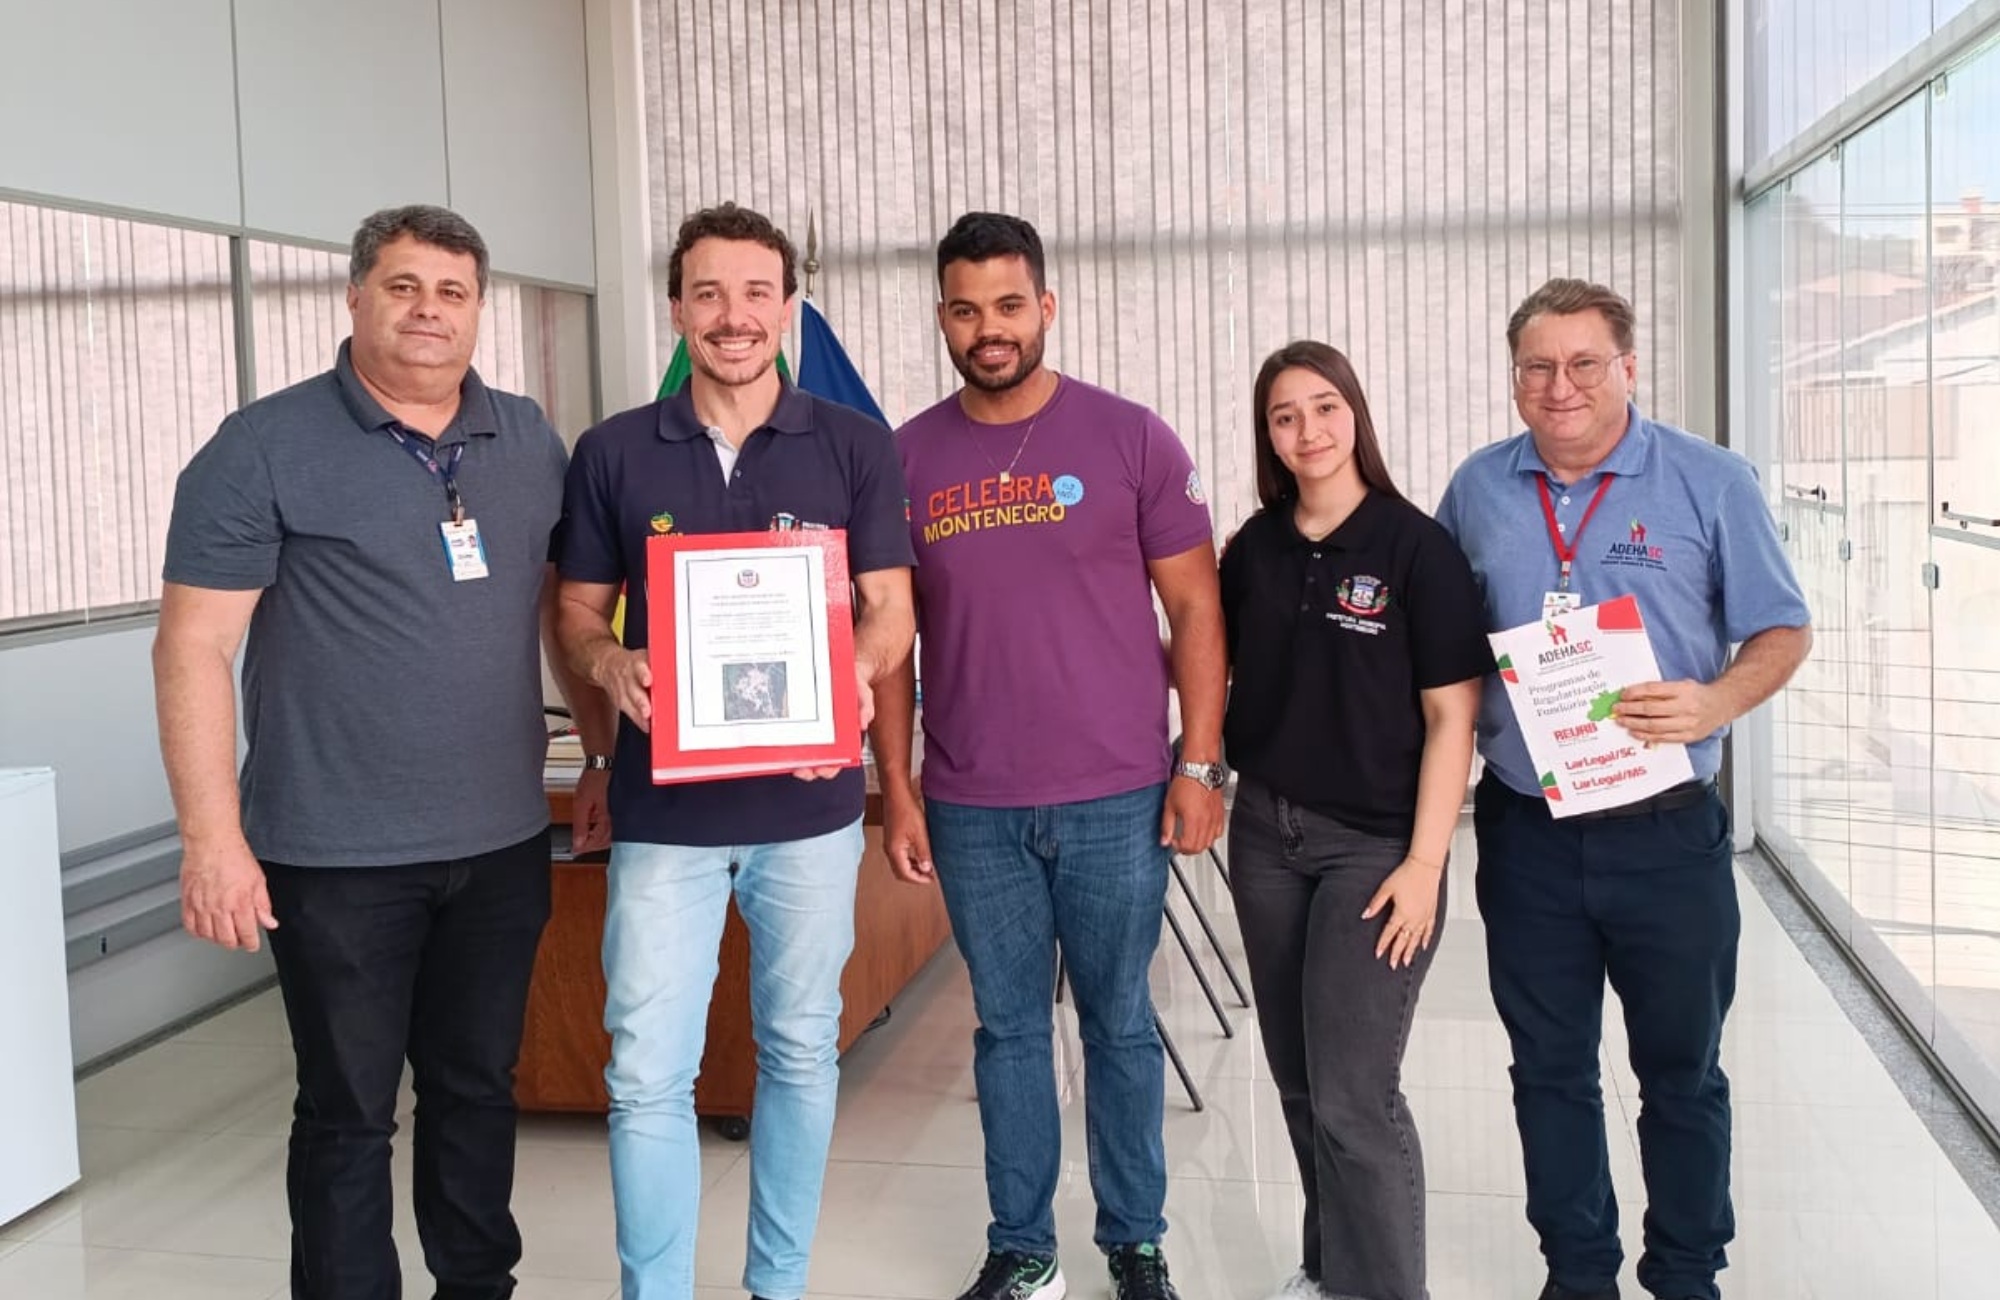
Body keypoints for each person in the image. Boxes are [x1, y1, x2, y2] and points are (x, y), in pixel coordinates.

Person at [155, 204, 610, 1300]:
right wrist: (211, 840)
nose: (427, 311)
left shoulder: (526, 438)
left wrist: (599, 758)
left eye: (452, 292)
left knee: (477, 1088)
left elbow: (563, 619)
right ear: (356, 295)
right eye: (403, 287)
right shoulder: (261, 446)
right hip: (333, 854)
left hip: (499, 840)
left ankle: (477, 1286)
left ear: (478, 309)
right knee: (349, 1111)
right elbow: (193, 648)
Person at [554, 202, 915, 1300]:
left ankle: (777, 1284)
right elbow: (576, 612)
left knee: (800, 1052)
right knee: (644, 1073)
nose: (733, 316)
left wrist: (847, 684)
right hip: (666, 821)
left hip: (809, 814)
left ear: (787, 307)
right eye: (707, 293)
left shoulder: (854, 444)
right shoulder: (613, 450)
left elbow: (890, 611)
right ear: (676, 309)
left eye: (756, 292)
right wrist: (608, 667)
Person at [869, 211, 1228, 1300]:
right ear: (942, 318)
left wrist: (1199, 762)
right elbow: (888, 642)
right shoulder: (903, 457)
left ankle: (1136, 1240)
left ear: (1047, 307)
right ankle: (1023, 1248)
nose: (990, 328)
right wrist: (898, 789)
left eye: (1009, 305)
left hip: (1117, 794)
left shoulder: (1131, 437)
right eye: (965, 309)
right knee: (1008, 1032)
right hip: (971, 802)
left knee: (1120, 1024)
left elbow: (1195, 608)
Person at [1434, 279, 1812, 1300]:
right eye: (1536, 366)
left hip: (1665, 834)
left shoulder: (1708, 481)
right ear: (1514, 376)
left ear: (1628, 368)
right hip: (1527, 831)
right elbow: (1439, 644)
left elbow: (1782, 628)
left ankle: (1685, 1272)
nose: (1559, 386)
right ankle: (1577, 1273)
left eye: (1583, 363)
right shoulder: (1476, 489)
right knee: (1548, 1071)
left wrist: (1714, 701)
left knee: (1680, 1072)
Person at [1220, 341, 1490, 1300]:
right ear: (1268, 436)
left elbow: (1452, 716)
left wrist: (1426, 865)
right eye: (1285, 415)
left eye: (1325, 407)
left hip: (1375, 849)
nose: (1309, 430)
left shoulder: (1416, 549)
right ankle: (1331, 1271)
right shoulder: (1254, 550)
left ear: (1356, 415)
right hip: (1264, 836)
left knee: (1353, 1097)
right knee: (1300, 1085)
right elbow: (1213, 664)